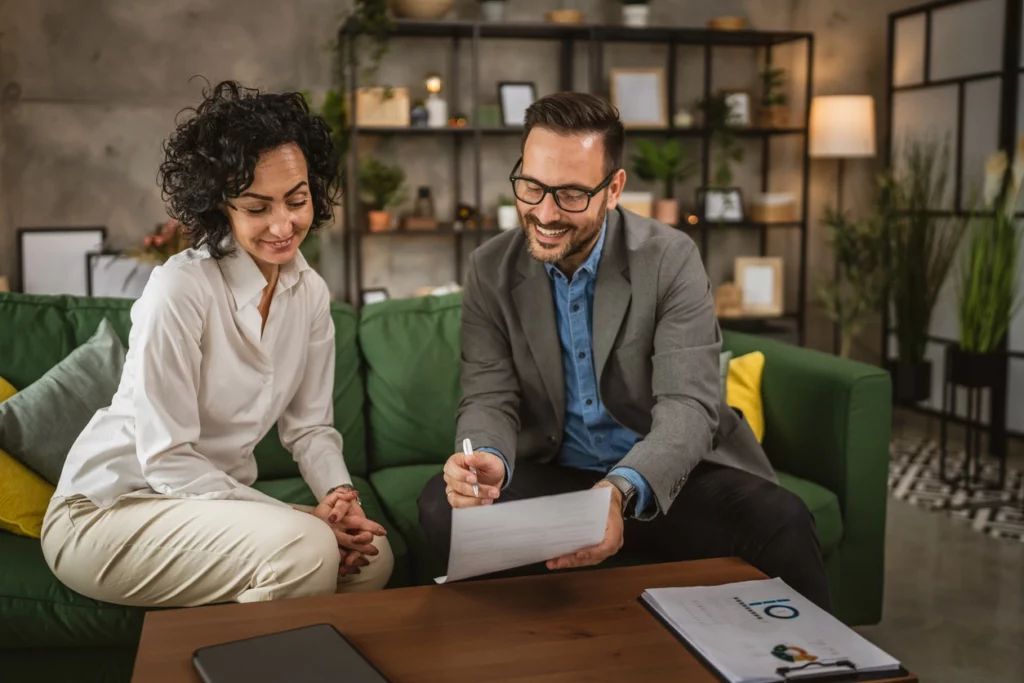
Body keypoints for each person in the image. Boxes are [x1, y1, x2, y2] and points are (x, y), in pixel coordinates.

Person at [418, 92, 831, 610]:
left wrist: (617, 492)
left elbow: (689, 406)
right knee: (442, 507)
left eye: (570, 194)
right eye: (531, 187)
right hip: (559, 476)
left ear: (613, 189)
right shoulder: (489, 268)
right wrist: (485, 460)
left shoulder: (670, 258)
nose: (544, 213)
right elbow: (488, 394)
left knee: (782, 519)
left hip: (666, 481)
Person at [40, 81, 393, 607]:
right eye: (257, 207)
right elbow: (167, 460)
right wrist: (299, 519)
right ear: (220, 208)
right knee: (309, 549)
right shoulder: (180, 290)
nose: (283, 224)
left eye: (297, 200)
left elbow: (312, 427)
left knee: (371, 558)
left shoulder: (310, 293)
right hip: (110, 509)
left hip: (209, 507)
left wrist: (340, 499)